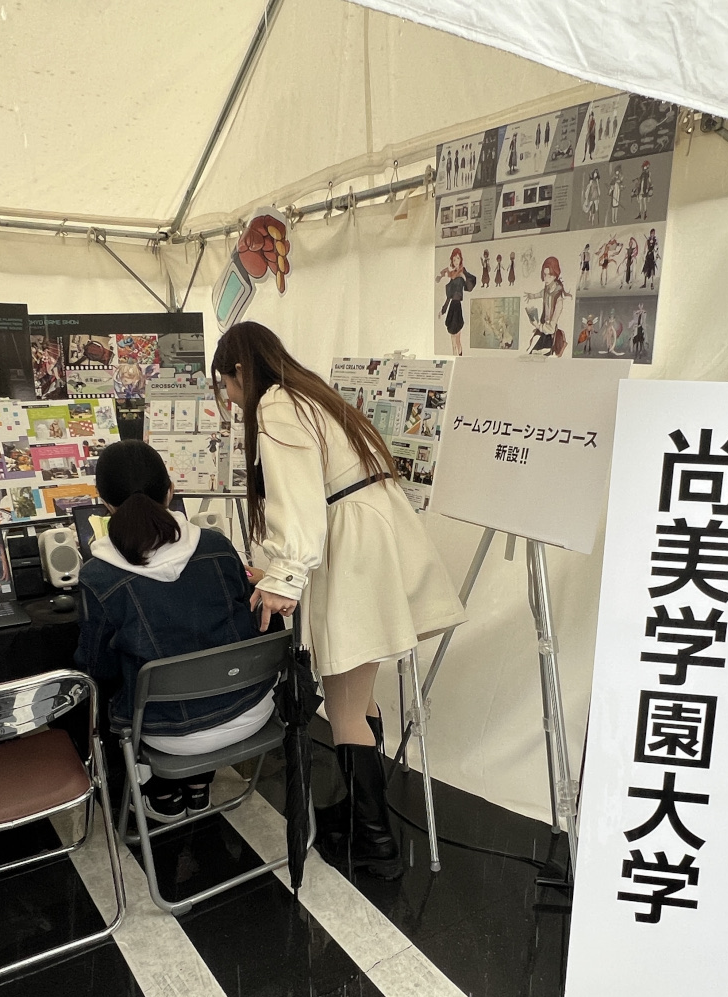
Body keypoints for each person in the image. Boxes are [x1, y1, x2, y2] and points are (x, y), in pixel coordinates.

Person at [211, 322, 465, 879]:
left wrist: (283, 577)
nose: (229, 397)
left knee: (344, 706)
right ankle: (361, 815)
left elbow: (297, 501)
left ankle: (376, 843)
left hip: (351, 554)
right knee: (359, 695)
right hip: (369, 544)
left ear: (239, 370)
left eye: (226, 385)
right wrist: (286, 571)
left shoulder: (276, 404)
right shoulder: (312, 395)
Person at [76, 440, 274, 822]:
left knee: (117, 694)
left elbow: (96, 668)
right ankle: (199, 784)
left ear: (104, 503)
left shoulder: (98, 576)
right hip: (252, 707)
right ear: (170, 491)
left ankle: (162, 793)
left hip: (170, 733)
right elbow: (244, 621)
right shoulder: (217, 546)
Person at [437, 248, 477, 355]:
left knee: (458, 339)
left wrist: (463, 277)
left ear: (460, 259)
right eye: (454, 259)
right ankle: (454, 356)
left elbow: (470, 286)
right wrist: (442, 310)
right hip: (452, 307)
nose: (456, 261)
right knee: (453, 340)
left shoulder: (463, 271)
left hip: (458, 307)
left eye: (457, 259)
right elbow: (449, 297)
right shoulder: (452, 275)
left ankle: (460, 358)